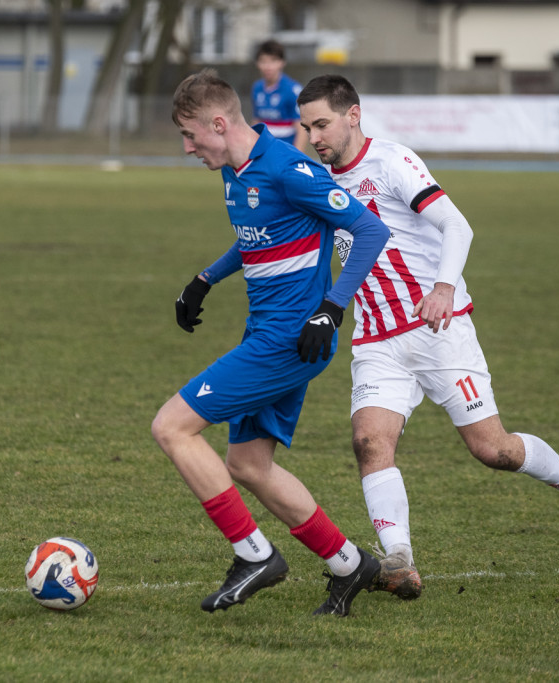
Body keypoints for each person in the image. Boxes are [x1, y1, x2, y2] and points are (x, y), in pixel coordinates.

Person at [295, 74, 559, 600]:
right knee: (369, 441)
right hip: (377, 338)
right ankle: (400, 563)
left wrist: (444, 287)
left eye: (322, 124)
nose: (314, 136)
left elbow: (458, 226)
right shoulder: (317, 177)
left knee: (494, 451)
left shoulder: (395, 162)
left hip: (438, 329)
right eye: (307, 126)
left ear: (353, 114)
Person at [151, 69, 391, 617]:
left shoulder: (290, 168)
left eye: (190, 136)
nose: (187, 148)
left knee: (172, 427)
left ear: (218, 123)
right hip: (266, 332)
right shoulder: (236, 170)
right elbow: (255, 235)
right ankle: (352, 566)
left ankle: (253, 553)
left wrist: (331, 310)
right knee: (249, 464)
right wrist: (205, 279)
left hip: (292, 339)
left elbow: (371, 231)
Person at [251, 40, 309, 152]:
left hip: (285, 152)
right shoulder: (257, 88)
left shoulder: (293, 90)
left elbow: (301, 128)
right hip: (264, 151)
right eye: (263, 61)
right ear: (257, 63)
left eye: (273, 61)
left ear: (282, 63)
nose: (268, 66)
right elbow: (256, 121)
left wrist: (296, 156)